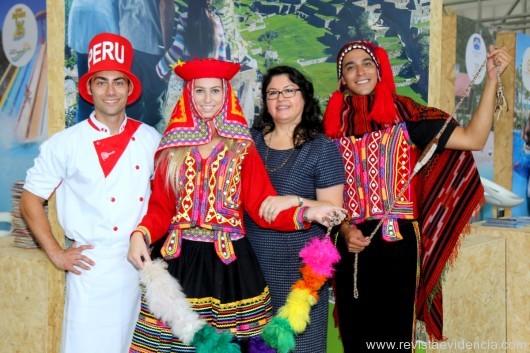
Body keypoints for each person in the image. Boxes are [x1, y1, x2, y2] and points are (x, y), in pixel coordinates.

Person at [127, 58, 346, 353]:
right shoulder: (171, 149)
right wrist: (139, 234)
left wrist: (309, 211)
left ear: (226, 95)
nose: (207, 99)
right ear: (187, 95)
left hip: (229, 266)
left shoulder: (242, 147)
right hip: (179, 262)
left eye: (215, 91)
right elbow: (160, 209)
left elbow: (263, 208)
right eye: (199, 91)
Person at [322, 40, 511, 352]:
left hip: (398, 245)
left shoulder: (407, 115)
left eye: (366, 63)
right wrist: (344, 230)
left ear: (379, 69)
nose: (359, 71)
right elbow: (326, 193)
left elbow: (474, 138)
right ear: (342, 78)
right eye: (350, 66)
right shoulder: (330, 128)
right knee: (355, 339)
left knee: (392, 341)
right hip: (350, 243)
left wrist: (491, 79)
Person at [19, 33, 161, 353]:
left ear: (129, 89)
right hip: (90, 270)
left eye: (118, 82)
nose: (110, 91)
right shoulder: (65, 143)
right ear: (90, 89)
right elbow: (30, 201)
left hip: (138, 267)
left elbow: (162, 200)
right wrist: (57, 254)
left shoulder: (150, 138)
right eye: (101, 82)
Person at [245, 65, 345, 353]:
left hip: (297, 274)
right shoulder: (249, 142)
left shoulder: (321, 148)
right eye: (273, 93)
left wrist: (295, 200)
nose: (281, 98)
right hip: (250, 271)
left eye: (289, 90)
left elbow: (335, 213)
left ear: (304, 96)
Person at [119, 0, 175, 128]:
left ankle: (129, 139)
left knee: (131, 101)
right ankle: (146, 142)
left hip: (127, 38)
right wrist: (167, 49)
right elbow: (166, 6)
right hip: (152, 42)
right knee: (155, 106)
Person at [67, 0, 119, 123]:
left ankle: (82, 133)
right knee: (107, 89)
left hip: (81, 15)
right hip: (103, 19)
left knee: (85, 92)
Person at [155, 0, 227, 81]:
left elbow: (176, 50)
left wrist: (160, 69)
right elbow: (222, 59)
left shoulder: (185, 19)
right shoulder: (216, 22)